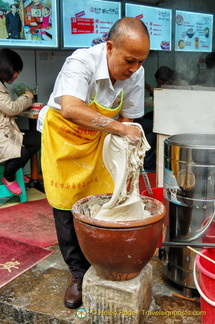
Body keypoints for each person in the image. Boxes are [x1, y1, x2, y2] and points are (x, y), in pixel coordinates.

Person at [39, 17, 150, 309]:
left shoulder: (135, 72)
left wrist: (127, 159)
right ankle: (77, 273)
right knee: (66, 204)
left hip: (100, 136)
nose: (135, 68)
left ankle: (100, 260)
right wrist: (120, 129)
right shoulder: (81, 62)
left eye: (140, 61)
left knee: (103, 197)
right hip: (63, 135)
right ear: (110, 47)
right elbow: (72, 109)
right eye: (129, 60)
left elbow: (127, 118)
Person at [0, 48, 41, 195]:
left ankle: (14, 169)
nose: (17, 75)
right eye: (17, 71)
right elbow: (11, 108)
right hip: (2, 134)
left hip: (7, 132)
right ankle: (9, 177)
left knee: (37, 139)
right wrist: (27, 97)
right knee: (21, 152)